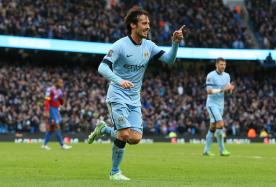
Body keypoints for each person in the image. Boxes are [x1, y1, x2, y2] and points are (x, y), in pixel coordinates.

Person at [87, 6, 185, 180]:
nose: (148, 27)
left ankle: (104, 129)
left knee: (135, 138)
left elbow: (170, 60)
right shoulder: (120, 45)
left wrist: (175, 43)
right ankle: (115, 172)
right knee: (124, 134)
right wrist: (119, 80)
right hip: (117, 93)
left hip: (134, 98)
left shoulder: (149, 46)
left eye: (148, 23)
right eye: (144, 23)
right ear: (133, 25)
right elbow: (102, 67)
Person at [203, 58, 235, 156]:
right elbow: (209, 91)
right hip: (212, 104)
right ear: (216, 65)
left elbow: (228, 91)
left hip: (221, 104)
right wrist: (222, 90)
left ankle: (206, 151)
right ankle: (222, 150)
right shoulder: (210, 75)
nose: (223, 66)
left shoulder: (227, 76)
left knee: (213, 127)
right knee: (220, 124)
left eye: (224, 65)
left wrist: (230, 90)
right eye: (221, 64)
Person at [41, 78, 72, 150]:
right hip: (51, 109)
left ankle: (44, 144)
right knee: (57, 126)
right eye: (60, 83)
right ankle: (62, 144)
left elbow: (61, 101)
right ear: (56, 83)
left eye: (62, 83)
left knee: (51, 128)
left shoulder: (60, 91)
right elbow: (47, 100)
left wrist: (61, 101)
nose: (62, 84)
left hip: (56, 110)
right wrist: (47, 111)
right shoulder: (50, 89)